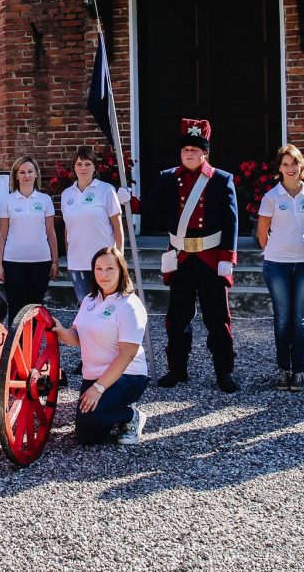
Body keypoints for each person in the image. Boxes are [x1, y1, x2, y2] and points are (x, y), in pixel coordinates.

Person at [121, 118, 239, 392]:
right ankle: (177, 368)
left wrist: (227, 257)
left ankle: (224, 372)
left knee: (217, 319)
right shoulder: (168, 178)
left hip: (210, 258)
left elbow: (231, 221)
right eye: (185, 149)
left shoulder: (221, 179)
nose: (189, 153)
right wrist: (131, 201)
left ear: (205, 153)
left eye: (195, 149)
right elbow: (150, 206)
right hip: (182, 258)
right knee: (177, 318)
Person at [50, 247, 150, 445]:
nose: (104, 274)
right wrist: (60, 330)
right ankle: (110, 412)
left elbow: (127, 355)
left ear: (121, 270)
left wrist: (98, 388)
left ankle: (131, 416)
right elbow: (77, 337)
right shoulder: (90, 300)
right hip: (94, 374)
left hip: (127, 375)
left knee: (93, 418)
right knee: (86, 437)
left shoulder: (130, 305)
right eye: (99, 268)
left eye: (110, 268)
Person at [256, 144, 304, 392]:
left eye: (294, 163)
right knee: (283, 318)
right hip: (277, 265)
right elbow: (262, 233)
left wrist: (303, 248)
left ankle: (299, 372)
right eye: (285, 164)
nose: (290, 168)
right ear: (279, 168)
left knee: (299, 319)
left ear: (301, 166)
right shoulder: (271, 197)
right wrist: (275, 251)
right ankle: (284, 370)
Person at [0, 155, 59, 321]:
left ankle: (34, 339)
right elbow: (1, 235)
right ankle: (15, 339)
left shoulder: (45, 200)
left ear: (36, 174)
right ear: (16, 175)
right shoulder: (7, 201)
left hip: (41, 261)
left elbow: (51, 233)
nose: (26, 175)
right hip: (13, 262)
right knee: (16, 308)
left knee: (35, 308)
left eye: (30, 171)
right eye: (22, 172)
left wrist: (55, 261)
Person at [60, 146, 124, 305]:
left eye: (88, 164)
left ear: (95, 168)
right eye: (79, 164)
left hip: (104, 263)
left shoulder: (106, 190)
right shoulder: (66, 194)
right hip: (77, 263)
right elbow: (68, 229)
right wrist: (69, 258)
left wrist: (119, 256)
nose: (83, 168)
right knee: (85, 307)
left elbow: (117, 226)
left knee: (107, 306)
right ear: (74, 168)